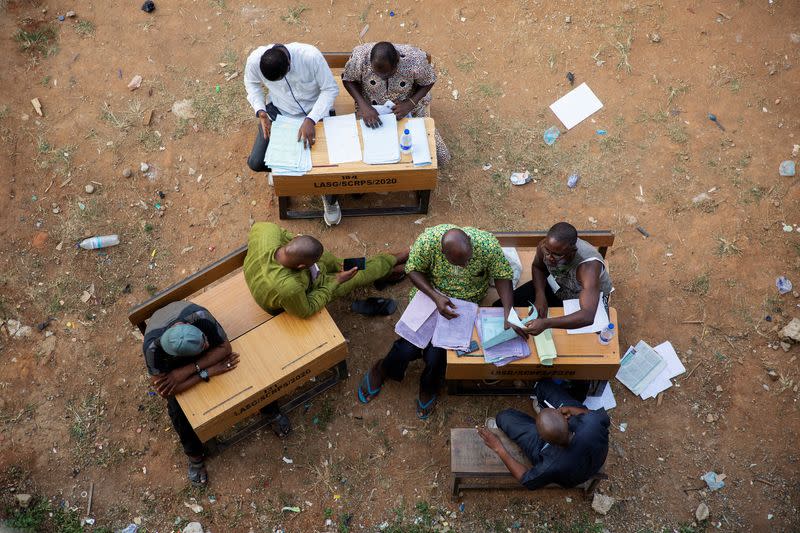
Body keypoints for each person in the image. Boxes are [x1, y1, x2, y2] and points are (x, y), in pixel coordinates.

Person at [357, 225, 521, 418]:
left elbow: (502, 274)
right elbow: (412, 269)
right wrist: (435, 297)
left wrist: (508, 312)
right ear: (443, 252)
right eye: (457, 263)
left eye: (467, 261)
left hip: (464, 305)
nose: (464, 267)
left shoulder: (487, 245)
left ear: (469, 240)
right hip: (430, 296)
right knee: (407, 348)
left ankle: (429, 385)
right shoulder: (428, 241)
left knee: (436, 356)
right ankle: (383, 367)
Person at [244, 42, 343, 226]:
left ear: (289, 64)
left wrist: (311, 119)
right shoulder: (255, 61)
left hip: (316, 112)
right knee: (256, 162)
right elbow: (251, 85)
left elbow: (330, 89)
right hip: (280, 112)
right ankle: (283, 171)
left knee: (327, 166)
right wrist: (260, 110)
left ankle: (330, 199)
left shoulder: (310, 56)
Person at [142, 301, 239, 485]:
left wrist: (186, 372)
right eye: (203, 345)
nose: (207, 343)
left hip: (187, 368)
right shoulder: (152, 350)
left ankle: (270, 408)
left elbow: (225, 348)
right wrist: (207, 371)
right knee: (178, 411)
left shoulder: (200, 317)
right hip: (186, 366)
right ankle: (195, 456)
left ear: (188, 326)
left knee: (236, 365)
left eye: (204, 339)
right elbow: (166, 390)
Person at [243, 222, 408, 318]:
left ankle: (388, 268)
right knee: (355, 276)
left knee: (332, 261)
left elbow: (292, 239)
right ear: (301, 267)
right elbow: (306, 309)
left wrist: (325, 263)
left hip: (286, 278)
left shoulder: (267, 230)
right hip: (291, 302)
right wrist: (337, 280)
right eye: (312, 263)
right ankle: (394, 262)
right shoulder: (290, 288)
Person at [478, 380, 610, 489]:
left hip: (570, 470)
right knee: (543, 386)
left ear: (542, 438)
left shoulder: (550, 465)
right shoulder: (591, 424)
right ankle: (545, 414)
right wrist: (570, 409)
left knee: (504, 417)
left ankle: (537, 421)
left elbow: (525, 479)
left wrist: (498, 447)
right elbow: (593, 414)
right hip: (594, 457)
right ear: (566, 418)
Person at [342, 41, 451, 165]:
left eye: (388, 74)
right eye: (377, 73)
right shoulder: (360, 57)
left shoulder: (415, 60)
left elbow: (429, 81)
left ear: (398, 61)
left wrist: (410, 103)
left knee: (436, 153)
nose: (383, 77)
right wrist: (363, 106)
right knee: (360, 152)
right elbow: (348, 80)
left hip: (408, 107)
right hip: (370, 109)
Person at [502, 222, 613, 337]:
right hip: (559, 286)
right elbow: (538, 267)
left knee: (594, 339)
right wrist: (540, 295)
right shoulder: (546, 246)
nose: (549, 258)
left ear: (572, 252)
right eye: (547, 251)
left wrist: (547, 323)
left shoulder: (588, 267)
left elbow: (587, 316)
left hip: (585, 297)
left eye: (556, 255)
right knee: (499, 306)